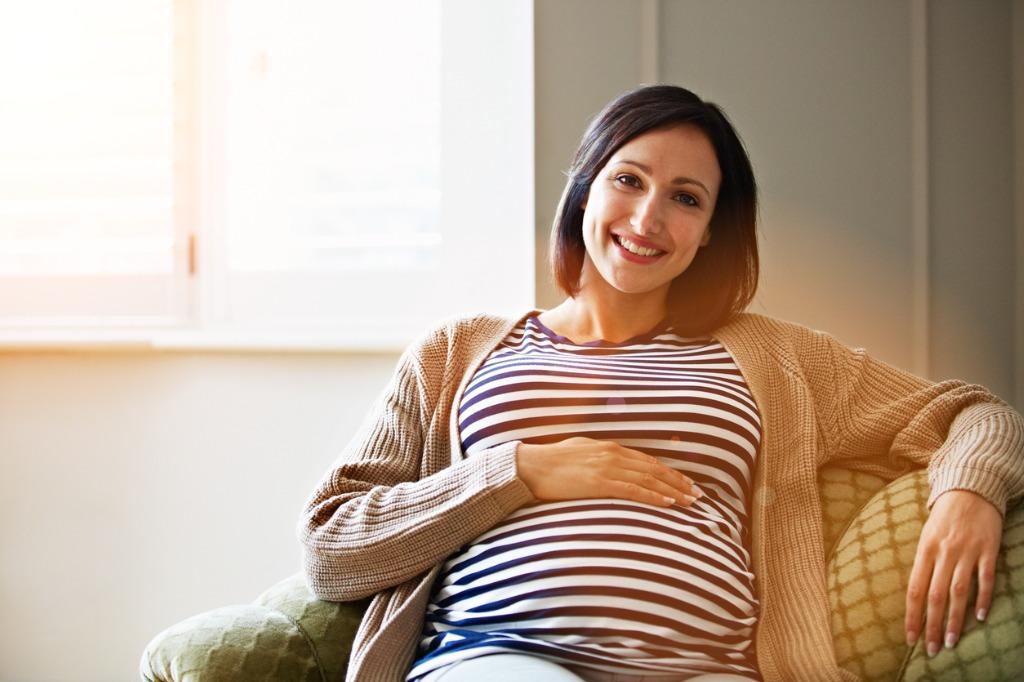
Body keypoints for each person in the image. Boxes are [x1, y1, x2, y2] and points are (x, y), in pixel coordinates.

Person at [297, 85, 1024, 682]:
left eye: (686, 198)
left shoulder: (776, 359)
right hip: (498, 659)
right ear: (584, 190)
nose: (648, 217)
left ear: (710, 231)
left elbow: (974, 413)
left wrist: (968, 494)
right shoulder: (454, 353)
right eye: (628, 180)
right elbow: (331, 547)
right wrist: (520, 470)